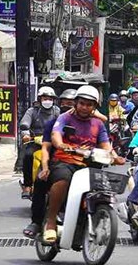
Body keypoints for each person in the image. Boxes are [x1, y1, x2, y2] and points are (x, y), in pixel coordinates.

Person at [42, 85, 122, 243]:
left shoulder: (98, 124)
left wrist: (115, 156)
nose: (85, 107)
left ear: (94, 107)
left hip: (89, 164)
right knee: (62, 180)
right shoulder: (65, 118)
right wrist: (61, 145)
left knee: (101, 188)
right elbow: (56, 134)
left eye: (89, 104)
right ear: (76, 103)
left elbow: (106, 145)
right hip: (65, 161)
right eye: (82, 103)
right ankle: (50, 222)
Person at [23, 90, 77, 239]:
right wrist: (46, 167)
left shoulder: (95, 123)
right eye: (65, 103)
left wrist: (113, 155)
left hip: (83, 163)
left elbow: (105, 145)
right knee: (40, 176)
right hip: (57, 159)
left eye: (72, 104)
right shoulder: (56, 121)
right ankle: (38, 221)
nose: (68, 107)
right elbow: (48, 146)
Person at [18, 86, 60, 198]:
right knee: (28, 156)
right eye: (45, 98)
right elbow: (24, 124)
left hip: (53, 142)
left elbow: (62, 125)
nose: (47, 101)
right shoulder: (32, 111)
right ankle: (27, 185)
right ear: (39, 99)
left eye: (50, 98)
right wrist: (26, 134)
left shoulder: (57, 111)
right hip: (35, 141)